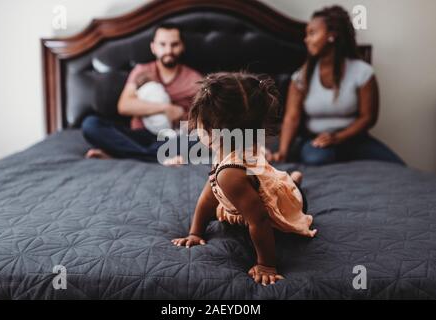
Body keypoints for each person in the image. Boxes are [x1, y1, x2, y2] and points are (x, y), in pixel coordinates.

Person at [171, 72, 317, 286]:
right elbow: (209, 193)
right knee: (275, 180)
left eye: (199, 124)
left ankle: (293, 183)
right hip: (263, 184)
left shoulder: (230, 174)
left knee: (291, 191)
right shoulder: (234, 149)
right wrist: (195, 232)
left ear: (214, 132)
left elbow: (259, 220)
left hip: (287, 204)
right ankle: (291, 180)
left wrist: (266, 264)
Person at [268, 6, 405, 166]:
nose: (306, 39)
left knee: (395, 165)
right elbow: (292, 118)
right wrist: (283, 152)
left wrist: (338, 137)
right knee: (317, 158)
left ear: (332, 35)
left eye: (312, 33)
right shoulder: (301, 77)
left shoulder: (363, 72)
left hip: (354, 140)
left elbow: (368, 118)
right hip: (316, 140)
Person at [81, 22, 202, 163]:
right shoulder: (141, 71)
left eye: (174, 45)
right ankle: (155, 156)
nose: (168, 50)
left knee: (203, 139)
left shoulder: (195, 79)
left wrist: (182, 116)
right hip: (139, 136)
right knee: (91, 125)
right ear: (153, 47)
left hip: (172, 137)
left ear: (182, 47)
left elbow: (205, 120)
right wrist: (165, 108)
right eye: (162, 44)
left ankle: (123, 154)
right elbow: (124, 106)